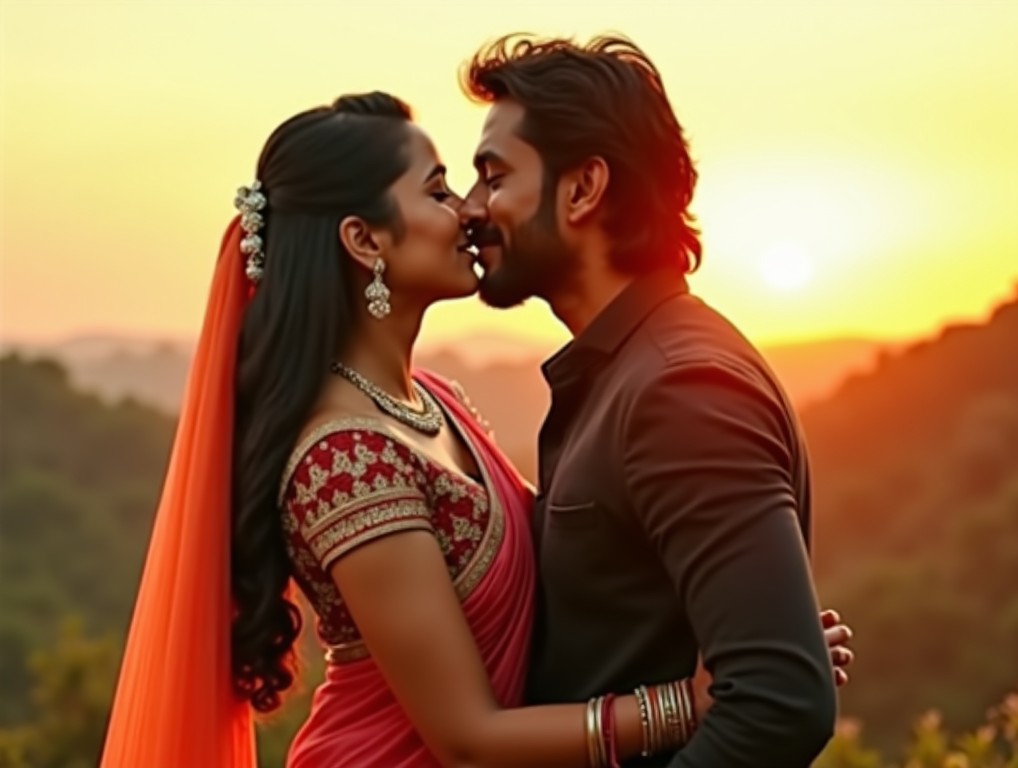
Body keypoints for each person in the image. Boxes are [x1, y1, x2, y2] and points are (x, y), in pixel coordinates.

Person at [100, 91, 852, 768]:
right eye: (439, 190)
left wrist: (757, 645)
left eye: (478, 181)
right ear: (366, 241)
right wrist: (685, 706)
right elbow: (466, 739)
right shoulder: (344, 458)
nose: (467, 209)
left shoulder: (436, 401)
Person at [459, 35, 841, 767]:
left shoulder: (680, 388)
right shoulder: (619, 374)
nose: (471, 209)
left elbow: (779, 701)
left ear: (583, 189)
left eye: (493, 175)